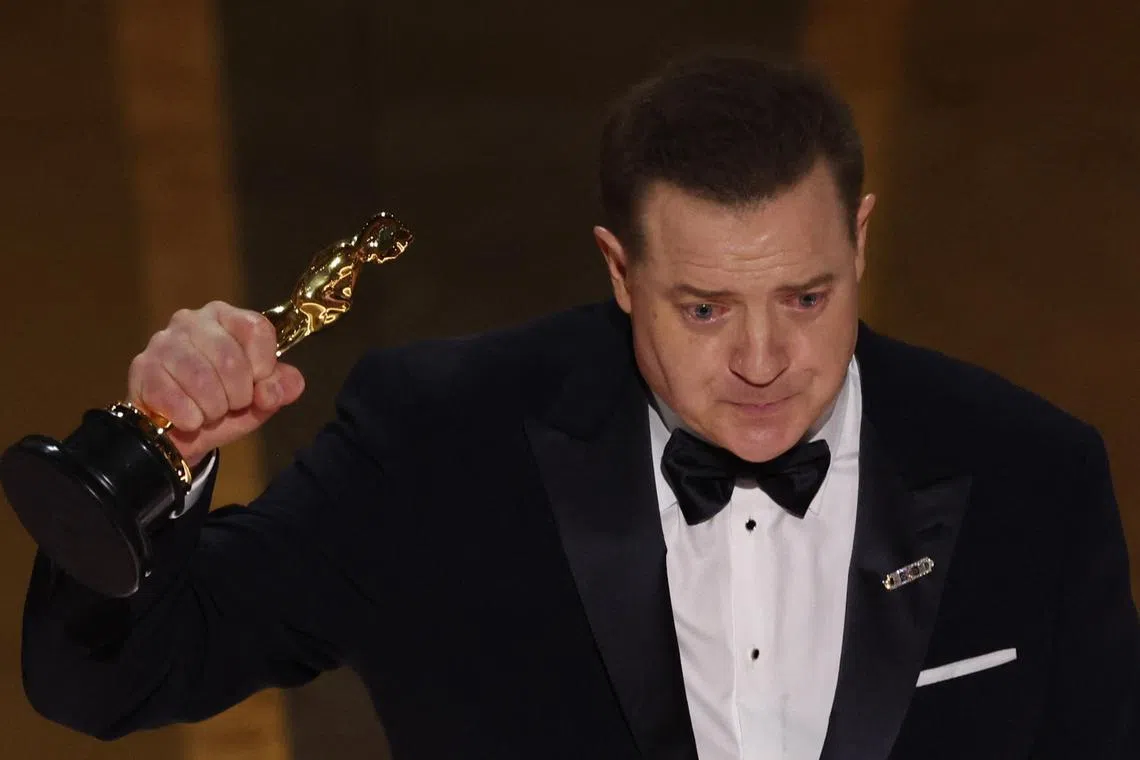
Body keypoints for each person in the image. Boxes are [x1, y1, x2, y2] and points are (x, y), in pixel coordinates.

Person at [19, 52, 1138, 760]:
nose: (763, 359)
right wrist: (151, 458)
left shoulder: (1031, 473)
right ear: (618, 271)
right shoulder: (440, 448)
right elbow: (108, 680)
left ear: (858, 237)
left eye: (804, 296)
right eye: (702, 308)